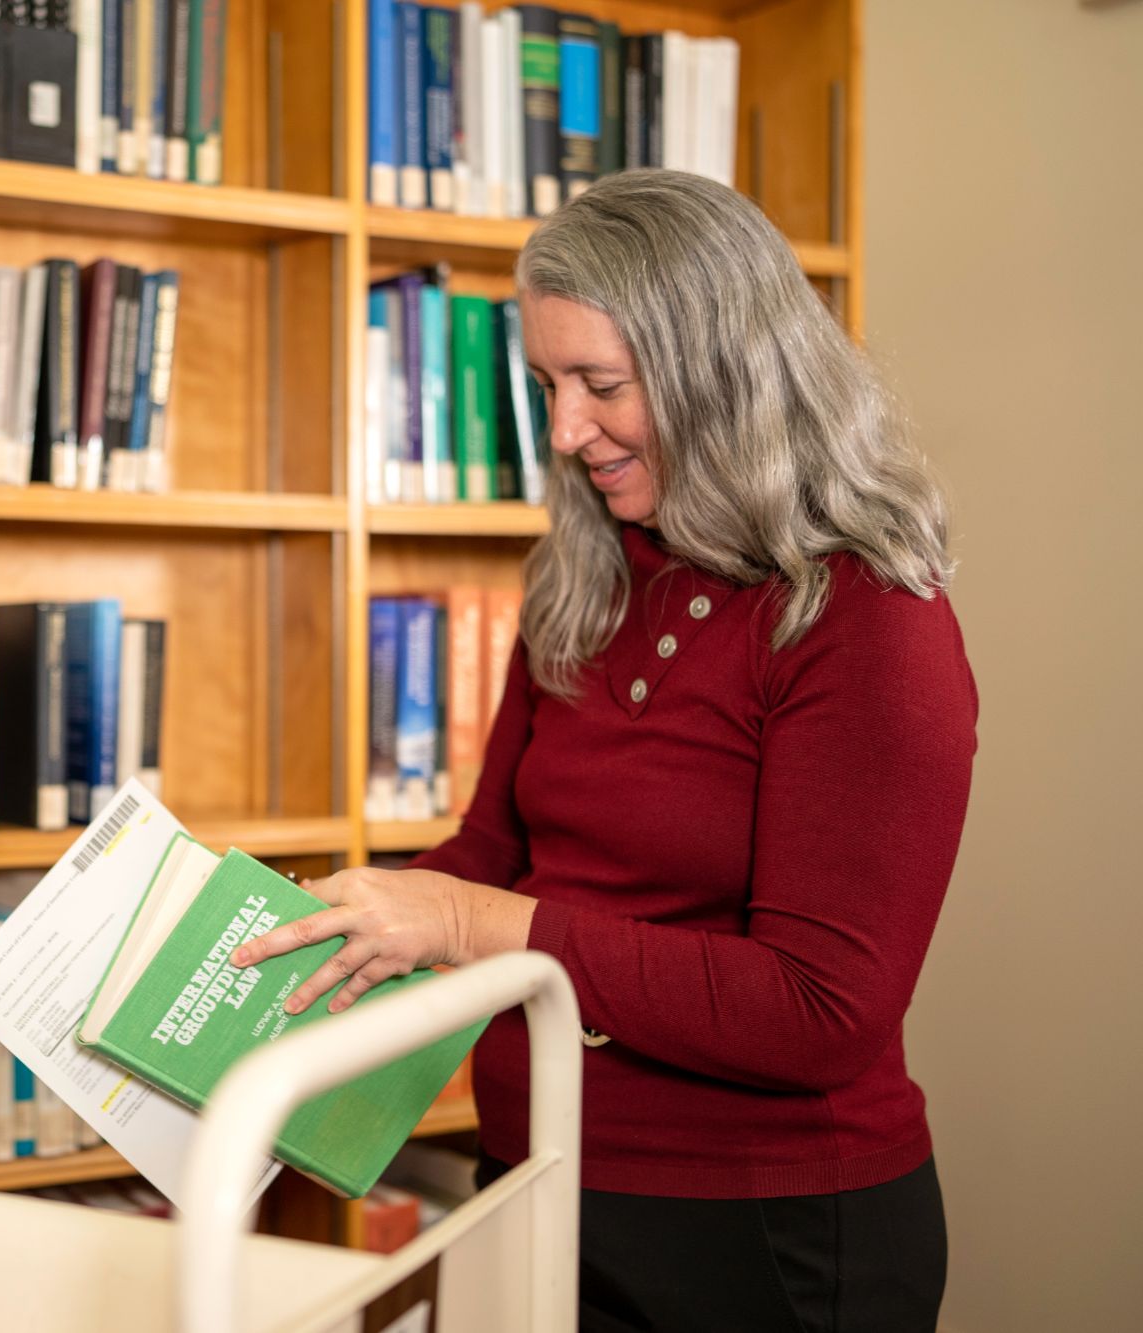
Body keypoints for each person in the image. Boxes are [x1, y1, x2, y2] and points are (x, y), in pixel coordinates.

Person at [230, 169, 976, 1331]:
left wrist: (482, 929)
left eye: (601, 385)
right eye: (546, 385)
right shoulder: (584, 576)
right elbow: (489, 848)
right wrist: (289, 928)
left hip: (763, 1236)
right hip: (538, 1185)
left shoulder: (865, 614)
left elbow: (820, 1008)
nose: (567, 433)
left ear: (722, 371)